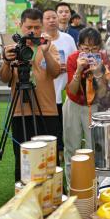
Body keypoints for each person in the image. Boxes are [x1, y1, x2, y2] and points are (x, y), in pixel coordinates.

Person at [0, 8, 61, 182]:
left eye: (36, 27)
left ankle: (51, 196)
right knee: (23, 160)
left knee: (49, 159)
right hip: (20, 112)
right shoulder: (13, 49)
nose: (32, 31)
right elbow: (5, 78)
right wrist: (6, 60)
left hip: (47, 111)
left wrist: (46, 51)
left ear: (41, 26)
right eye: (28, 27)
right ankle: (23, 196)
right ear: (20, 26)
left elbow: (55, 72)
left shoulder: (49, 46)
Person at [63, 27, 109, 181]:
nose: (90, 52)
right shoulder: (72, 58)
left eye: (94, 49)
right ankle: (72, 187)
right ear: (79, 46)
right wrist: (78, 69)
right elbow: (73, 90)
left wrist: (98, 73)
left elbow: (103, 93)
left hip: (95, 105)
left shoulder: (103, 58)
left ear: (100, 48)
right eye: (85, 48)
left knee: (95, 147)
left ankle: (95, 186)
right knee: (72, 146)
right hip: (74, 103)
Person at [43, 8, 77, 153]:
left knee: (66, 126)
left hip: (66, 92)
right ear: (43, 22)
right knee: (50, 129)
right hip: (47, 94)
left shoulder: (67, 39)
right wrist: (53, 67)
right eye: (48, 18)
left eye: (53, 17)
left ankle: (63, 153)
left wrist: (66, 67)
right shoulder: (40, 41)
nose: (51, 20)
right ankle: (53, 154)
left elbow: (75, 61)